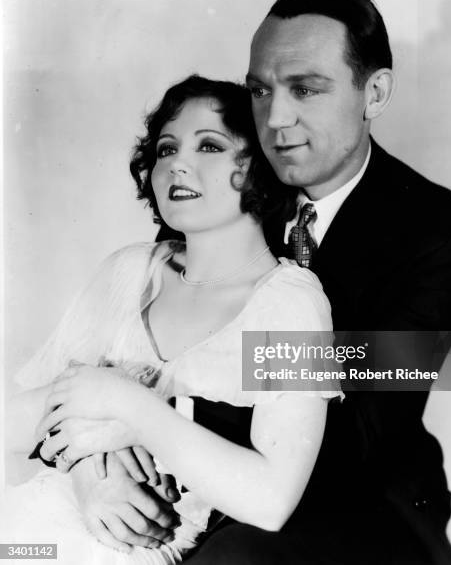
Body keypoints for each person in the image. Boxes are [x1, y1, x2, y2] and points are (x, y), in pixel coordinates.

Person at [156, 0, 451, 564]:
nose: (276, 118)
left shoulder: (444, 233)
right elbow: (154, 335)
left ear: (374, 92)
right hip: (198, 478)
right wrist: (105, 466)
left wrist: (161, 414)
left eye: (305, 89)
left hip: (361, 504)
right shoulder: (230, 177)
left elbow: (361, 425)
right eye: (260, 90)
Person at [2, 75, 341, 564]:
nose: (177, 164)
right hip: (31, 529)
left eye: (209, 145)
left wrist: (127, 403)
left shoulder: (290, 305)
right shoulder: (132, 271)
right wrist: (91, 473)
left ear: (264, 166)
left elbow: (271, 501)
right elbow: (11, 424)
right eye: (165, 149)